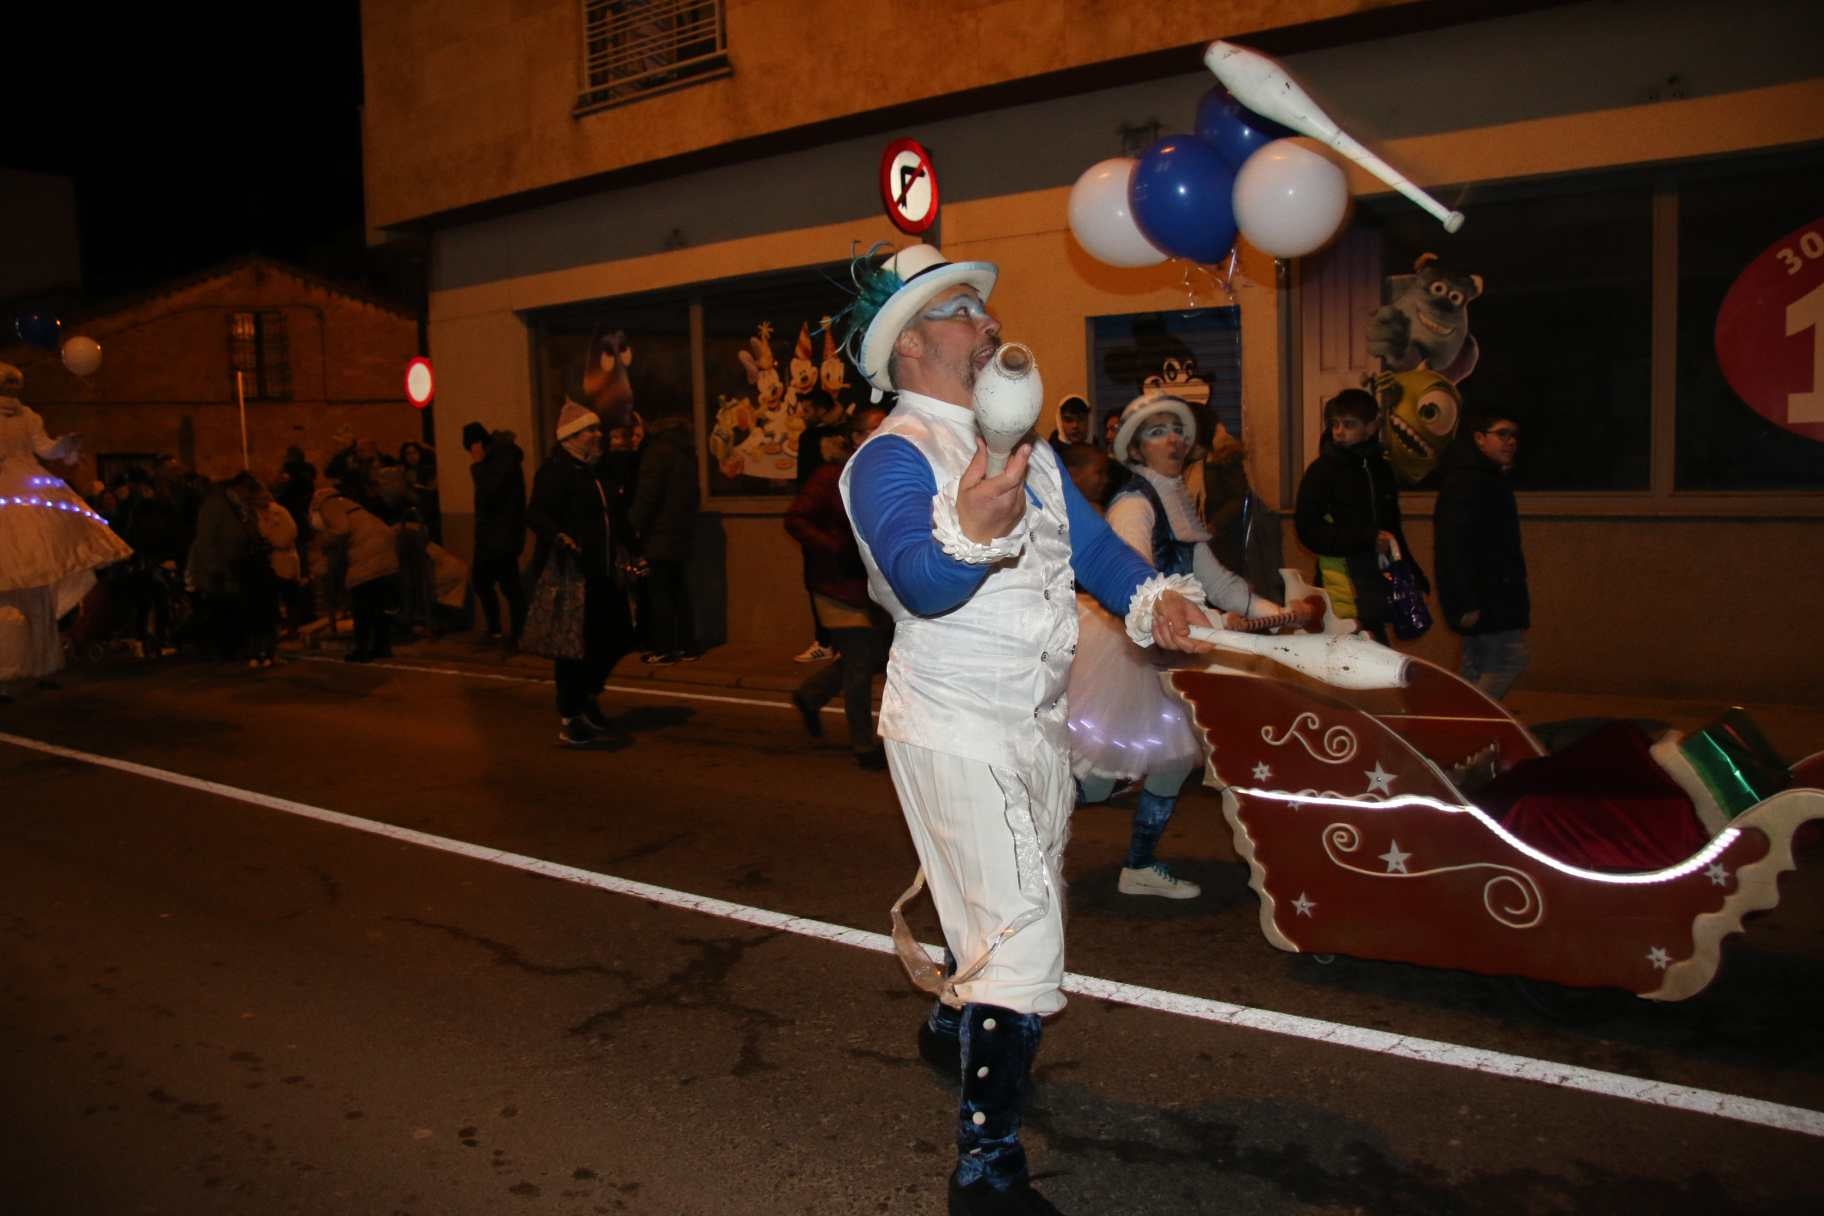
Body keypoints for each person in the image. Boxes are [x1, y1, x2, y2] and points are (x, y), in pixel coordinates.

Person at [834, 244, 1214, 1215]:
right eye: (966, 313)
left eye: (986, 312)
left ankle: (958, 1022)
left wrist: (1155, 604)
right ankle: (987, 1176)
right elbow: (921, 582)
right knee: (1025, 940)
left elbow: (1097, 555)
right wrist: (967, 522)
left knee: (1009, 912)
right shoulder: (889, 458)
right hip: (952, 723)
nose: (993, 326)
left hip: (1034, 727)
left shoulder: (1036, 456)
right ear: (910, 343)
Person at [1072, 394, 1283, 899]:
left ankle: (1139, 866)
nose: (1172, 439)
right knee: (1100, 777)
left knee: (1170, 761)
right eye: (1157, 431)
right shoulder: (1135, 504)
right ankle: (1017, 828)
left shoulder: (1177, 500)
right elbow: (1136, 584)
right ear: (1138, 448)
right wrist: (1216, 622)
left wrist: (1274, 613)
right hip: (1138, 647)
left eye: (1177, 430)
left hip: (1179, 648)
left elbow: (1218, 581)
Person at [0, 363, 133, 699]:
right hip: (15, 493)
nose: (10, 393)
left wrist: (64, 446)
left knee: (41, 591)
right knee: (10, 591)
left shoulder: (29, 417)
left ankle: (42, 665)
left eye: (14, 387)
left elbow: (43, 447)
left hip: (30, 494)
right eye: (6, 386)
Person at [527, 397, 637, 747]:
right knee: (574, 648)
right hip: (571, 575)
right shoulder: (555, 471)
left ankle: (588, 693)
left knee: (617, 636)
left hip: (603, 572)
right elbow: (536, 514)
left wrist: (636, 550)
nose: (598, 435)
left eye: (598, 429)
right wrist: (559, 536)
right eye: (590, 430)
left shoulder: (598, 472)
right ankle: (571, 717)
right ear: (571, 436)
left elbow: (616, 516)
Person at [787, 405, 891, 770]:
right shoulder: (830, 476)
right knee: (862, 660)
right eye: (877, 430)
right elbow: (796, 519)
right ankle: (863, 745)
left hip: (869, 585)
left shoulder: (878, 475)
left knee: (878, 655)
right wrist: (834, 548)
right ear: (856, 438)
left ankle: (811, 694)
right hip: (836, 585)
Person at [1293, 387, 1422, 644]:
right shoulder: (1322, 471)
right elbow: (1308, 530)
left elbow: (1392, 524)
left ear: (1372, 426)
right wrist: (1365, 539)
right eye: (1334, 424)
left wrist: (1411, 571)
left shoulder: (1381, 469)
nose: (1339, 431)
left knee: (1375, 650)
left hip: (1377, 579)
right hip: (1341, 581)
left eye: (1349, 424)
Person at [1435, 409, 1529, 699]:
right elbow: (1453, 545)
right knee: (1507, 659)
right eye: (1502, 434)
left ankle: (1457, 731)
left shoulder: (1488, 480)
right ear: (1479, 439)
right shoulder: (1469, 483)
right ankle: (1471, 727)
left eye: (1513, 435)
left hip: (1492, 594)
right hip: (1488, 597)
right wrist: (1465, 601)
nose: (1510, 442)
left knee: (1475, 668)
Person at [629, 414, 700, 665]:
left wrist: (633, 526)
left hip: (659, 533)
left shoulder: (657, 452)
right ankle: (688, 645)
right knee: (679, 589)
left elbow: (648, 495)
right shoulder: (686, 451)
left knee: (659, 591)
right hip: (681, 531)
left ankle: (665, 648)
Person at [311, 477, 400, 663]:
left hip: (367, 557)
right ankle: (382, 647)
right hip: (385, 553)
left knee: (362, 606)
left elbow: (340, 530)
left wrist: (323, 542)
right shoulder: (350, 504)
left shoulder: (329, 504)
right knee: (378, 605)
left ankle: (362, 650)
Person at [464, 420, 528, 648]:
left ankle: (516, 634)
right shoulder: (499, 458)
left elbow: (491, 491)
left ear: (478, 444)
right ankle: (498, 632)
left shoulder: (502, 459)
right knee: (484, 581)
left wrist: (479, 464)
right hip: (491, 536)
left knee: (509, 585)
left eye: (470, 448)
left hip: (501, 536)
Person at [1046, 393, 1090, 457]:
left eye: (1081, 419)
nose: (1075, 425)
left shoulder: (1096, 452)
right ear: (1060, 422)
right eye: (1068, 420)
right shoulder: (1051, 455)